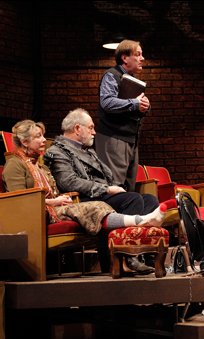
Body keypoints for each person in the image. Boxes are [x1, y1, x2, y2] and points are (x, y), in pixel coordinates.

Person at [6, 119, 172, 274]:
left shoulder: (39, 165)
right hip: (41, 213)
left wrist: (62, 198)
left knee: (144, 198)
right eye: (38, 136)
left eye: (43, 135)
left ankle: (144, 245)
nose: (44, 140)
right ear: (25, 142)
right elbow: (21, 200)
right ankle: (140, 222)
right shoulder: (15, 164)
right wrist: (54, 201)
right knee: (97, 206)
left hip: (57, 206)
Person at [44, 108, 164, 273]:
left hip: (100, 195)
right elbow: (68, 182)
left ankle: (146, 254)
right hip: (84, 200)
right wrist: (107, 189)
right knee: (132, 199)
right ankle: (122, 258)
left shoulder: (88, 151)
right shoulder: (57, 151)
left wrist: (114, 188)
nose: (94, 132)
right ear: (77, 129)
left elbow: (106, 177)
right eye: (91, 127)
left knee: (150, 199)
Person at [95, 39, 150, 192]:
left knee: (129, 186)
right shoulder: (112, 75)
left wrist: (145, 106)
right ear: (125, 58)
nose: (142, 58)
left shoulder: (133, 80)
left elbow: (134, 106)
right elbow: (107, 102)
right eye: (138, 55)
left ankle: (126, 214)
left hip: (130, 138)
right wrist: (134, 103)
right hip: (114, 137)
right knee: (115, 185)